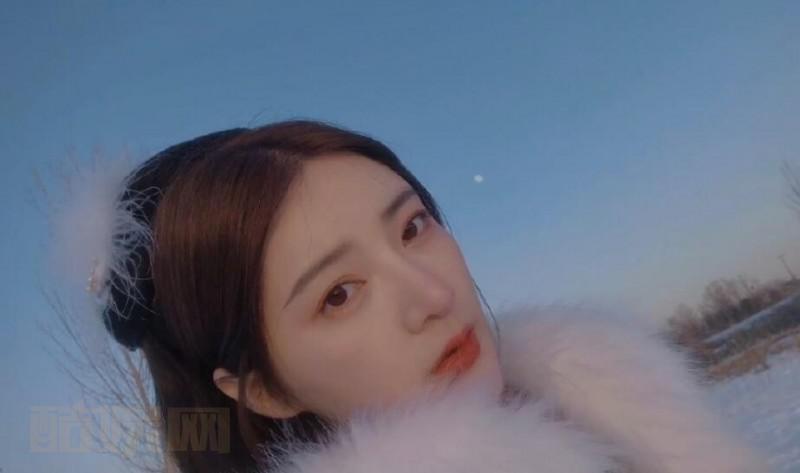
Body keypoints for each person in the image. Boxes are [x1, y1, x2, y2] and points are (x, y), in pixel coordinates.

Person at [49, 120, 768, 473]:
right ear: (263, 388)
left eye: (413, 227)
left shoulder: (621, 416)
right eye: (339, 294)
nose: (431, 293)